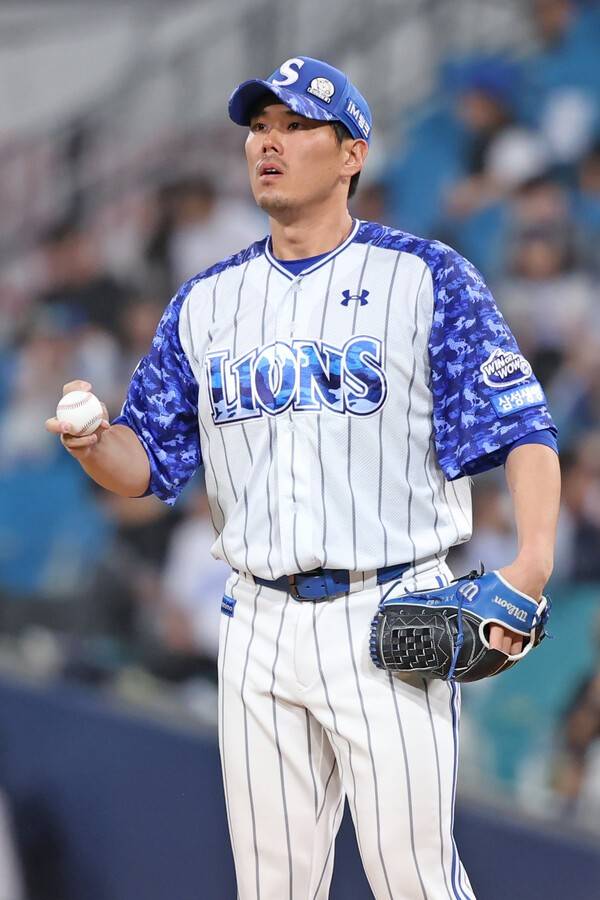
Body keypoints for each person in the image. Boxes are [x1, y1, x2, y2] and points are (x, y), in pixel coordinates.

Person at [46, 56, 561, 900]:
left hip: (389, 609)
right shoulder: (205, 301)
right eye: (259, 128)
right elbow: (147, 466)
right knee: (273, 888)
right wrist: (95, 443)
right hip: (256, 619)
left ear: (352, 153)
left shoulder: (423, 277)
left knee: (413, 880)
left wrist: (531, 565)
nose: (268, 144)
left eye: (294, 126)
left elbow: (523, 428)